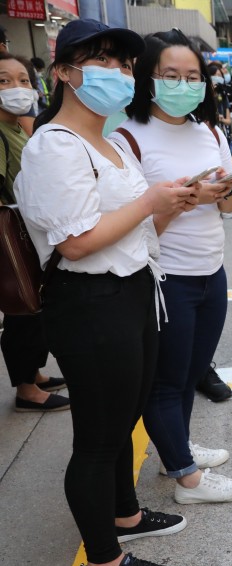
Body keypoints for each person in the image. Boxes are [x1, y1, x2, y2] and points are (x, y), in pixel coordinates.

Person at [15, 18, 200, 566]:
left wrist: (176, 201)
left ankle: (126, 515)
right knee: (97, 437)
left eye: (124, 64)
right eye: (101, 61)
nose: (118, 73)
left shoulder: (113, 141)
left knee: (123, 418)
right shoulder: (53, 145)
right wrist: (151, 199)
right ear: (65, 72)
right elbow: (75, 241)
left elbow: (137, 225)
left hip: (133, 290)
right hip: (90, 302)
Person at [109, 28, 232, 504]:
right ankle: (187, 479)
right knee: (166, 381)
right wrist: (186, 199)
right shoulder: (128, 137)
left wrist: (223, 189)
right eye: (171, 74)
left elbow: (231, 206)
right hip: (165, 277)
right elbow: (133, 226)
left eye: (193, 75)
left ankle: (177, 450)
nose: (183, 84)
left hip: (213, 270)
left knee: (191, 373)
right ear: (148, 77)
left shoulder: (209, 131)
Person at [0, 53, 69, 413]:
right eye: (4, 81)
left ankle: (34, 374)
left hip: (27, 231)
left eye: (24, 80)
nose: (17, 88)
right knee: (23, 310)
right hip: (11, 237)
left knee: (31, 308)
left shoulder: (16, 127)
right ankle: (27, 388)